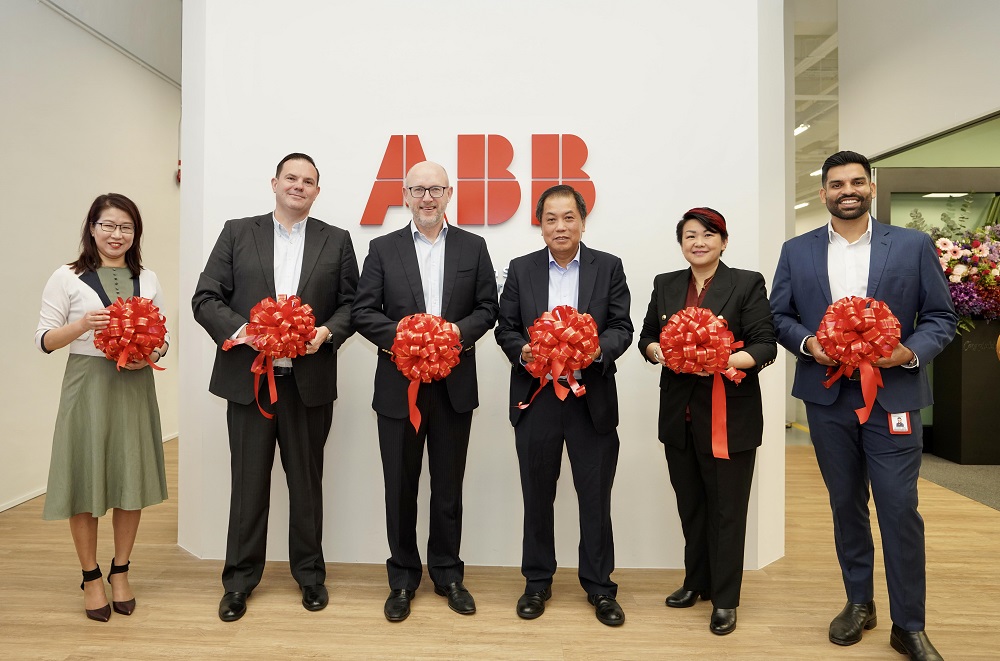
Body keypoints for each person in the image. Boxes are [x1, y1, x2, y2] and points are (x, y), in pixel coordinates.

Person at [771, 151, 955, 661]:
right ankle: (859, 602)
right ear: (824, 191)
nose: (846, 190)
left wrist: (909, 353)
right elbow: (779, 315)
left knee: (899, 508)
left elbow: (940, 316)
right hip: (828, 398)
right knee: (845, 504)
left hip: (893, 395)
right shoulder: (797, 250)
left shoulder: (912, 246)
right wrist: (810, 344)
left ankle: (909, 624)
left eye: (856, 182)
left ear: (870, 188)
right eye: (836, 184)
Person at [192, 153, 358, 622]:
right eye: (292, 178)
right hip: (250, 384)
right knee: (248, 486)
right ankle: (239, 582)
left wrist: (326, 333)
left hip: (307, 384)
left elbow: (352, 305)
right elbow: (205, 298)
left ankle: (310, 576)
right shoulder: (237, 232)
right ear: (274, 182)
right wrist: (248, 331)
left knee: (307, 484)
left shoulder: (338, 240)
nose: (299, 186)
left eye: (309, 181)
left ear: (317, 191)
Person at [352, 161, 499, 622]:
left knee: (448, 487)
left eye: (436, 189)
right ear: (405, 195)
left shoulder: (473, 247)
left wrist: (451, 333)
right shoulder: (381, 248)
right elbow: (363, 312)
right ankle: (402, 579)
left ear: (450, 193)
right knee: (400, 486)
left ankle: (449, 574)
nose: (427, 197)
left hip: (454, 386)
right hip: (399, 387)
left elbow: (488, 308)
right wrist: (408, 335)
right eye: (418, 189)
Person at [495, 184, 633, 627]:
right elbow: (506, 328)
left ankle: (600, 587)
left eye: (568, 217)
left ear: (583, 221)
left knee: (595, 497)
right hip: (536, 400)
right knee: (537, 496)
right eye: (550, 218)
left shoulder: (607, 267)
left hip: (590, 401)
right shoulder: (520, 269)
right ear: (540, 225)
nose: (560, 226)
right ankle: (537, 583)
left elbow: (622, 326)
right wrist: (524, 352)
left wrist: (597, 351)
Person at [636, 207, 776, 635]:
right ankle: (696, 580)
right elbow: (646, 336)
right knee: (691, 503)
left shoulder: (746, 283)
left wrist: (721, 360)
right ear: (681, 243)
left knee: (727, 509)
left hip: (729, 415)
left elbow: (765, 344)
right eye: (690, 235)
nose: (698, 242)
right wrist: (655, 351)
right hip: (680, 414)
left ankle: (726, 597)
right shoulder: (666, 284)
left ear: (724, 241)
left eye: (708, 234)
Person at [35, 193, 169, 621]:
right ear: (92, 228)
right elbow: (44, 340)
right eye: (108, 225)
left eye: (126, 227)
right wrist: (81, 326)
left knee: (132, 477)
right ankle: (90, 577)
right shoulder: (67, 276)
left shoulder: (147, 277)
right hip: (87, 386)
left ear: (136, 234)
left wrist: (156, 347)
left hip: (134, 383)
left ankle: (121, 571)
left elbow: (162, 338)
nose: (117, 234)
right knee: (85, 478)